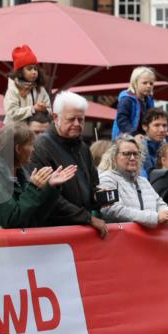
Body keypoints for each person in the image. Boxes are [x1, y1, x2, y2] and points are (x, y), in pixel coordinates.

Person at [29, 91, 107, 237]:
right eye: (71, 119)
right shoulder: (40, 147)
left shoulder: (83, 147)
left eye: (81, 119)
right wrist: (87, 218)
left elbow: (93, 185)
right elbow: (48, 198)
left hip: (80, 230)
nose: (77, 124)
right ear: (55, 117)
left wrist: (99, 198)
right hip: (53, 232)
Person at [0, 123, 75, 229]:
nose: (33, 149)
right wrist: (34, 188)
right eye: (30, 144)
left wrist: (50, 187)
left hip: (17, 244)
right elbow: (11, 219)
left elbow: (35, 217)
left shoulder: (20, 173)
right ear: (18, 149)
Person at [97, 136, 168, 228]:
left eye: (136, 153)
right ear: (114, 156)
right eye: (127, 154)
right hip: (120, 239)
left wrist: (167, 212)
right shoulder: (106, 178)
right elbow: (111, 209)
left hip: (148, 239)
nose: (133, 158)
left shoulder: (143, 181)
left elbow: (159, 203)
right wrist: (154, 217)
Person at [3, 45, 51, 126]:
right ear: (20, 72)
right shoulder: (13, 89)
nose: (34, 72)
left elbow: (49, 110)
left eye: (35, 69)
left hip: (36, 131)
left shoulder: (41, 89)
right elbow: (12, 113)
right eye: (29, 69)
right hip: (15, 133)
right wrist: (33, 109)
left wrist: (44, 110)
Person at [113, 66, 156, 138]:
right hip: (124, 137)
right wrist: (134, 133)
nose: (149, 86)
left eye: (151, 83)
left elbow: (154, 118)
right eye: (145, 83)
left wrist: (166, 130)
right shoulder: (127, 100)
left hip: (142, 136)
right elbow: (122, 120)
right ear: (135, 83)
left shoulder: (149, 100)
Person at [138, 107, 168, 178]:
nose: (162, 129)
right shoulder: (137, 149)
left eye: (164, 125)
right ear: (145, 127)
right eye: (156, 125)